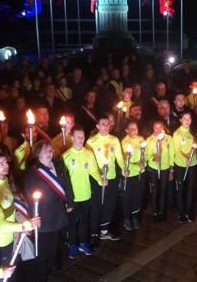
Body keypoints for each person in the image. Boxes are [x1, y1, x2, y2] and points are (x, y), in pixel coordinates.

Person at [23, 141, 70, 281]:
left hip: (57, 213)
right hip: (44, 216)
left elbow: (65, 183)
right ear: (38, 153)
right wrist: (32, 217)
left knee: (55, 243)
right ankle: (42, 273)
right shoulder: (33, 172)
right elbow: (30, 198)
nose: (50, 153)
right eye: (46, 151)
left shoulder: (57, 164)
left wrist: (69, 202)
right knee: (44, 248)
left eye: (51, 150)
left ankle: (52, 268)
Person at [0, 155, 40, 266]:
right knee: (7, 272)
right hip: (2, 241)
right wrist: (23, 226)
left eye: (6, 163)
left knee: (14, 268)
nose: (6, 166)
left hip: (13, 234)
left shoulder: (4, 181)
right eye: (1, 164)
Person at [62, 125, 100, 258]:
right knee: (72, 223)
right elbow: (63, 179)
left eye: (82, 137)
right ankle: (72, 245)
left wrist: (101, 180)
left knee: (84, 221)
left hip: (85, 194)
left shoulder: (88, 153)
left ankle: (83, 242)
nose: (81, 140)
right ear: (72, 138)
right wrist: (66, 199)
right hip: (72, 198)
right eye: (78, 137)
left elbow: (94, 171)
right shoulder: (65, 156)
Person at [86, 114, 123, 243]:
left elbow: (119, 157)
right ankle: (94, 233)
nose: (106, 127)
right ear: (97, 126)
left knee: (110, 204)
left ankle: (104, 230)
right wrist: (98, 177)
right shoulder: (91, 142)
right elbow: (90, 162)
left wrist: (124, 169)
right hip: (98, 179)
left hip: (111, 177)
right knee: (97, 205)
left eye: (108, 124)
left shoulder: (114, 139)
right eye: (103, 124)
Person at [146, 120, 175, 222]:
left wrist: (171, 170)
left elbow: (172, 154)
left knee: (163, 190)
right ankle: (155, 212)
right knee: (154, 191)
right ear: (153, 128)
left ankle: (161, 212)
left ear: (163, 127)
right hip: (154, 168)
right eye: (155, 127)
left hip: (165, 168)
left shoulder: (169, 139)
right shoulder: (149, 140)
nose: (158, 130)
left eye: (160, 127)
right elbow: (147, 154)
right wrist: (154, 157)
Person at [120, 121, 146, 231]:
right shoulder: (124, 142)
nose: (134, 131)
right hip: (129, 174)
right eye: (131, 129)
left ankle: (135, 217)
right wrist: (136, 166)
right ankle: (127, 218)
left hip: (140, 173)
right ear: (126, 130)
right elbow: (123, 160)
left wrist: (144, 163)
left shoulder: (141, 139)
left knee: (138, 196)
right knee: (127, 197)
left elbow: (146, 154)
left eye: (135, 128)